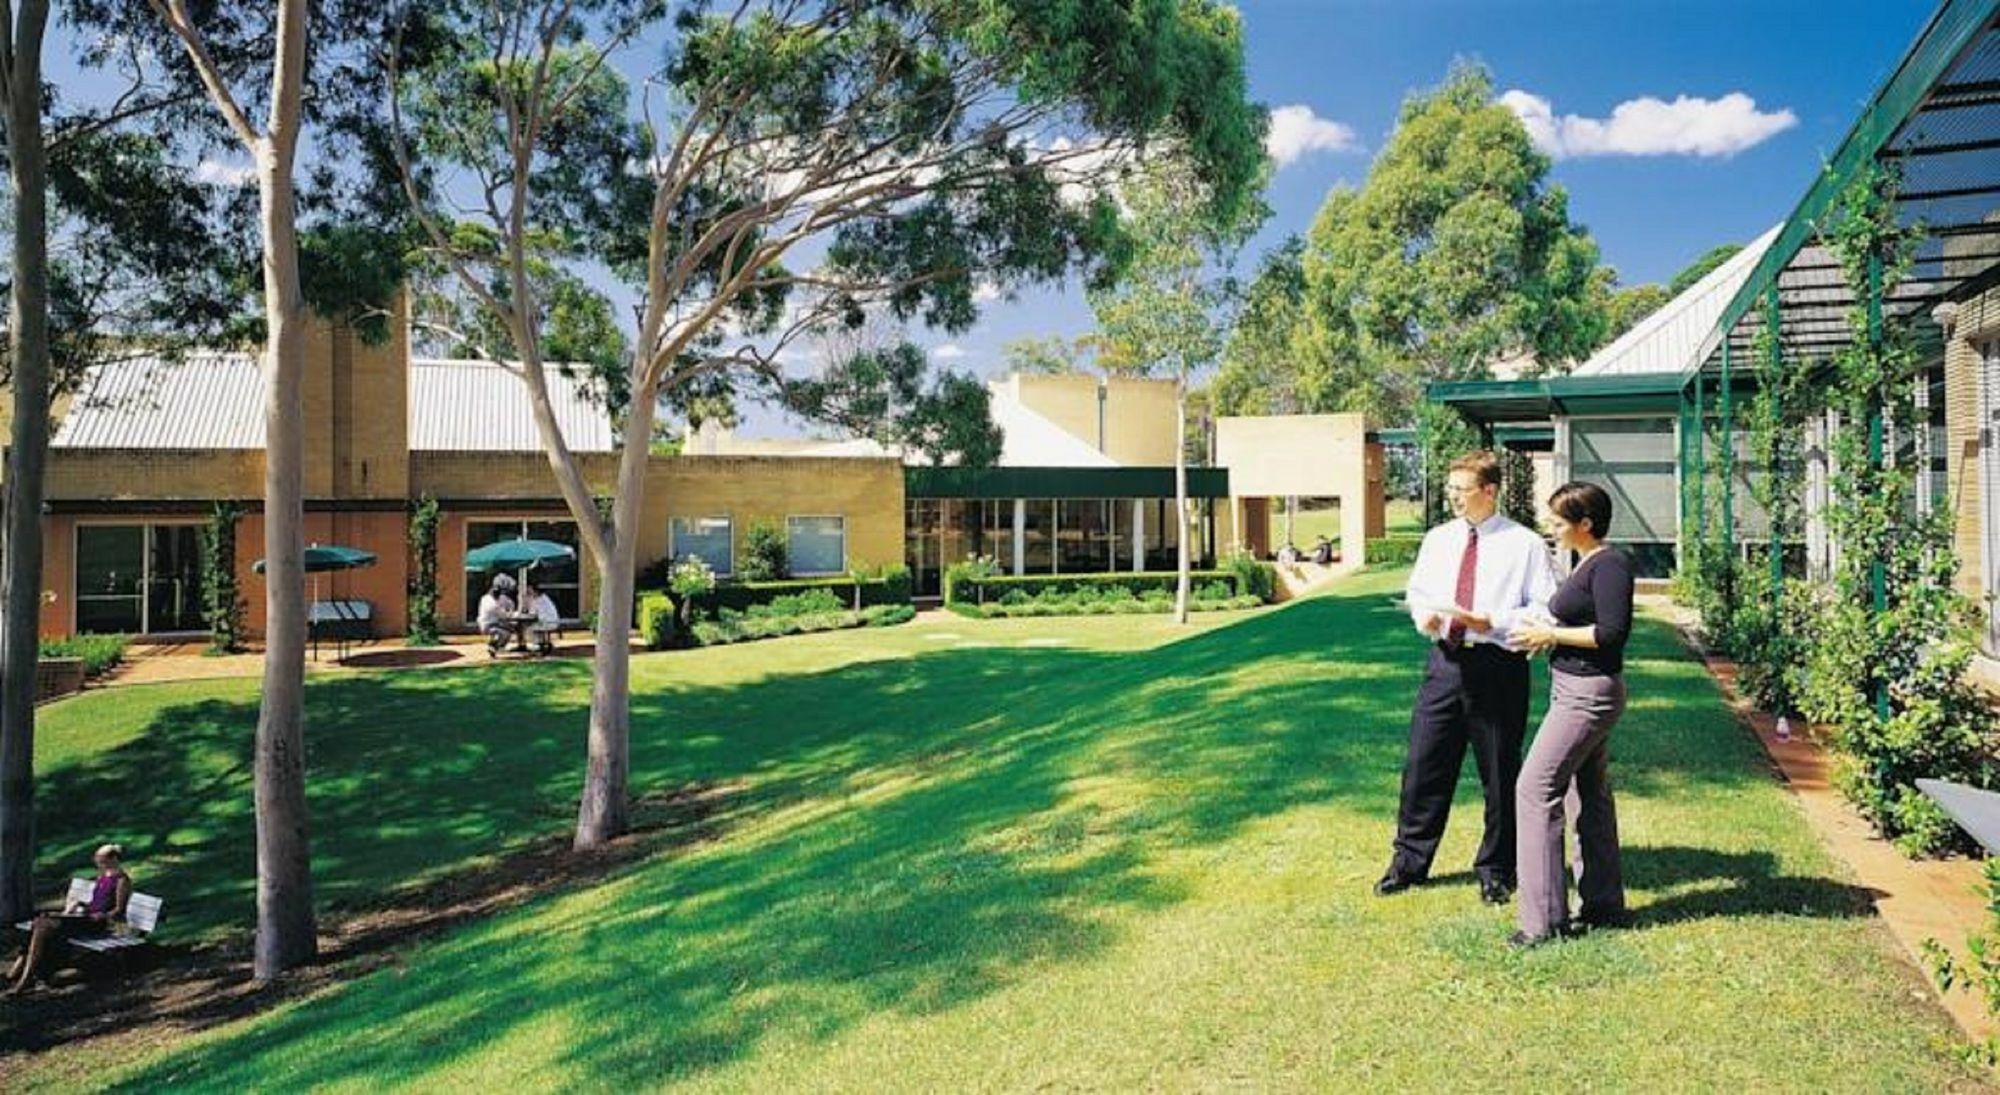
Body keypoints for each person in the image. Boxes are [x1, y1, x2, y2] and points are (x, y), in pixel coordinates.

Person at [1380, 450, 1557, 906]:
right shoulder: (1438, 539)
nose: (1453, 498)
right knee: (1424, 765)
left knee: (1498, 771)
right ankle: (1408, 863)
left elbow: (1543, 610)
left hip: (1497, 667)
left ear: (1490, 491)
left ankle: (1497, 869)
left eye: (1462, 490)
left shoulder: (1526, 545)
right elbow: (1420, 593)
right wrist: (1426, 618)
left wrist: (1491, 622)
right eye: (1451, 489)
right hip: (1444, 664)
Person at [1508, 481, 1635, 947]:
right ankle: (1603, 905)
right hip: (1573, 689)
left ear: (1586, 524)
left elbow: (1611, 633)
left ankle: (1541, 923)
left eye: (1559, 522)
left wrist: (1553, 636)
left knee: (1535, 787)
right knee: (1589, 794)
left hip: (1588, 695)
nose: (1551, 528)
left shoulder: (1611, 564)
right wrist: (1548, 628)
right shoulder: (1588, 562)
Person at [8, 843, 131, 994]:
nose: (97, 862)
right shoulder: (103, 877)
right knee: (39, 922)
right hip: (83, 917)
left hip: (95, 923)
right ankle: (21, 974)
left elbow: (119, 909)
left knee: (42, 926)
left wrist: (103, 915)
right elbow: (96, 902)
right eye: (97, 859)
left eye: (101, 859)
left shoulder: (121, 880)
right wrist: (80, 906)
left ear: (113, 858)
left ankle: (24, 977)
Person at [476, 578, 517, 654]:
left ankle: (498, 646)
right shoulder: (491, 603)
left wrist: (509, 607)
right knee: (506, 632)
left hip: (496, 622)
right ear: (491, 592)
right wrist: (510, 613)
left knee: (510, 628)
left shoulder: (486, 597)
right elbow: (503, 615)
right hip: (488, 625)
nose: (497, 595)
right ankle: (495, 646)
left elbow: (510, 602)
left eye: (498, 593)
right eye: (495, 593)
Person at [522, 582, 561, 655]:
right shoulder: (544, 598)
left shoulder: (538, 600)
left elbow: (532, 615)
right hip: (552, 621)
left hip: (548, 622)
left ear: (535, 591)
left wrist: (526, 602)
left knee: (529, 628)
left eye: (530, 591)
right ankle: (541, 644)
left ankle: (538, 646)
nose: (529, 593)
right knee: (533, 626)